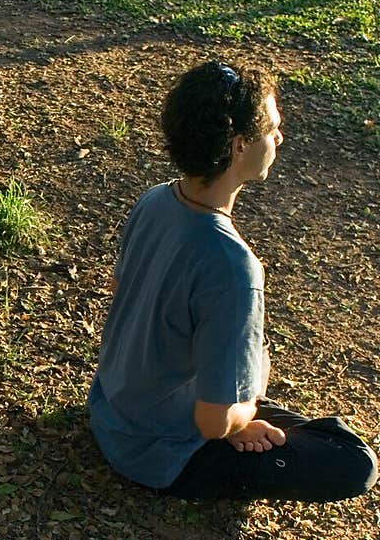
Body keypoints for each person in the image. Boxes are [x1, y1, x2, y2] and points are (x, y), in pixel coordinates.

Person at [88, 60, 378, 502]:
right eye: (272, 129)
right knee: (353, 461)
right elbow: (213, 422)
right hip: (160, 451)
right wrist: (242, 419)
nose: (279, 138)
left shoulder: (155, 201)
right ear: (240, 146)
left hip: (113, 408)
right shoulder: (231, 266)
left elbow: (120, 290)